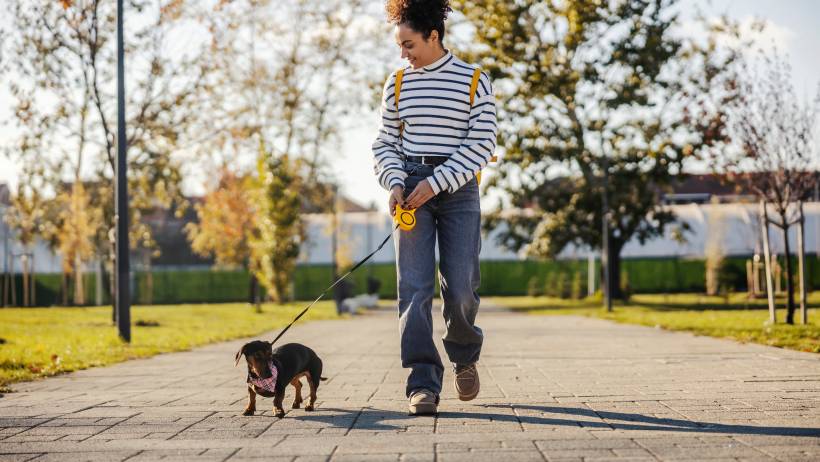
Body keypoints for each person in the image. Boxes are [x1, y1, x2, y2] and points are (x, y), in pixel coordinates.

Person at [372, 0, 498, 415]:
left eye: (408, 44)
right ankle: (422, 381)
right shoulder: (397, 83)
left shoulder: (475, 80)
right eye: (399, 46)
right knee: (413, 289)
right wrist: (394, 182)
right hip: (410, 188)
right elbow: (385, 143)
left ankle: (464, 356)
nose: (402, 53)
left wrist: (436, 183)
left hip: (459, 191)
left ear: (433, 36)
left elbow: (482, 144)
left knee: (461, 284)